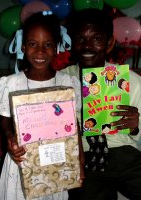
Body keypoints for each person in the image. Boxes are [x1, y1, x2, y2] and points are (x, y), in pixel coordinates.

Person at [0, 11, 84, 200]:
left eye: (48, 45)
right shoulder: (11, 83)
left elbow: (74, 128)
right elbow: (3, 118)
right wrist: (10, 136)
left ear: (57, 48)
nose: (40, 51)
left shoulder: (68, 83)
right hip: (23, 160)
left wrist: (79, 162)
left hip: (56, 163)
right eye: (33, 44)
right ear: (24, 47)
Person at [61, 8, 141, 200]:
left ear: (109, 43)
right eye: (80, 39)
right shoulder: (61, 81)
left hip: (126, 155)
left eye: (96, 39)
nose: (87, 46)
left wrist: (136, 127)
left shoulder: (129, 79)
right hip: (85, 160)